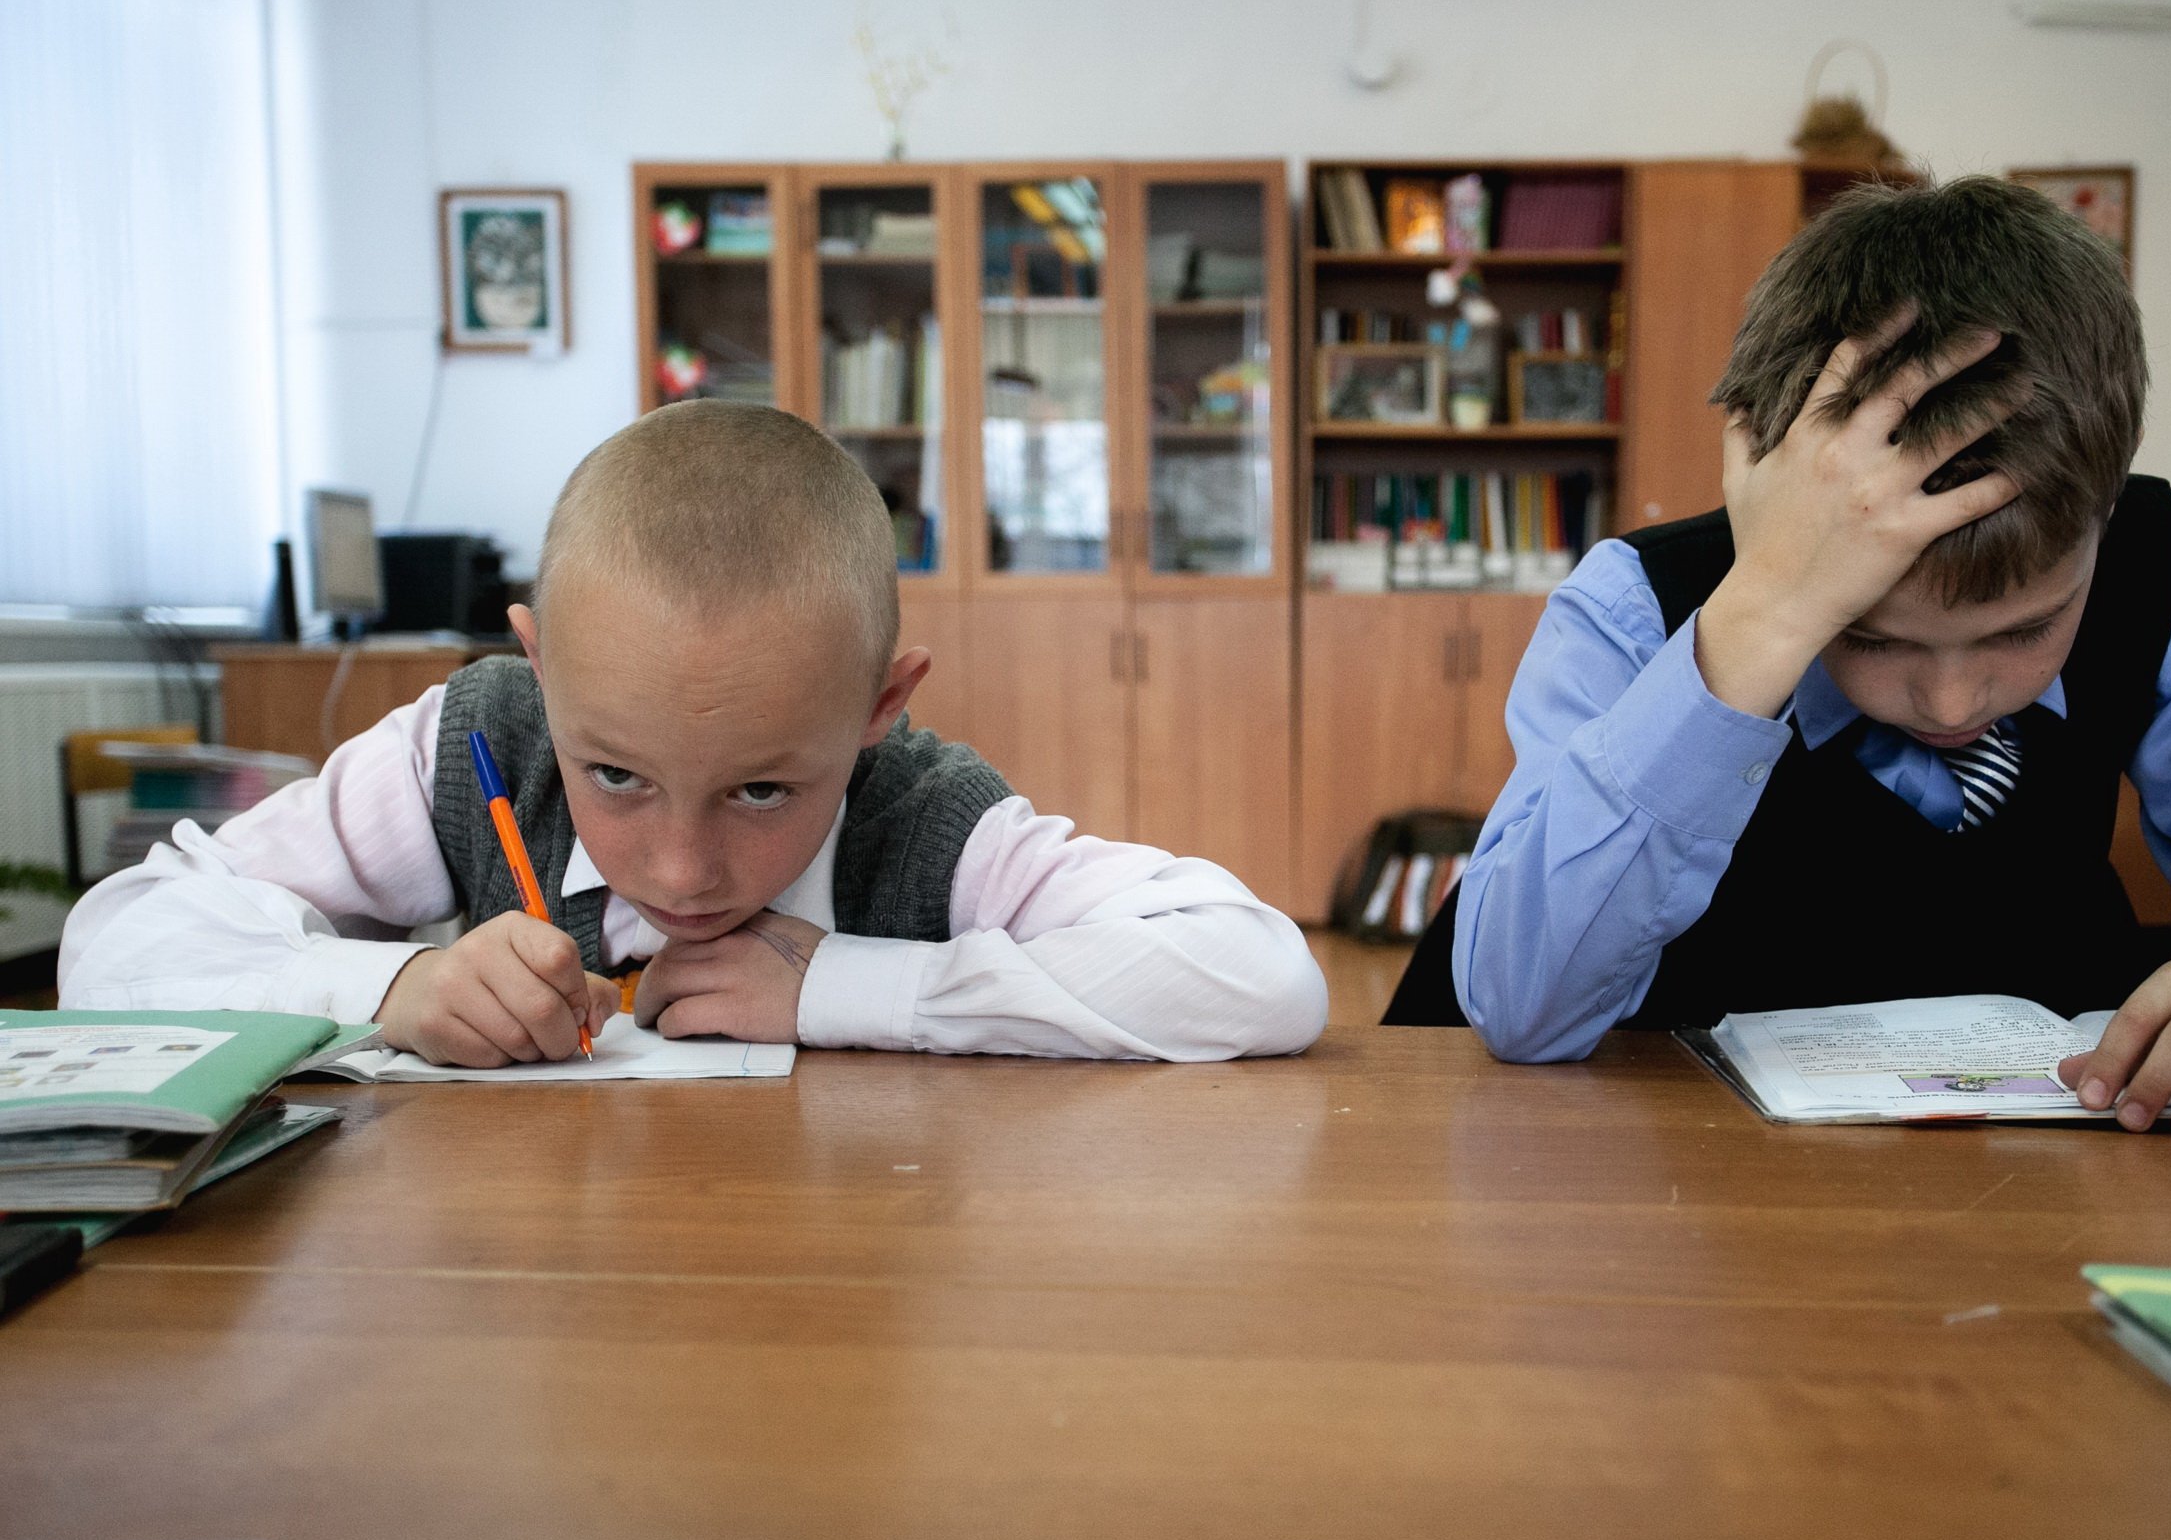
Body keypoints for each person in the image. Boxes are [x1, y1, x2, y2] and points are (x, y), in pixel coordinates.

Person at [1452, 177, 2171, 1137]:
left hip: (2061, 1166)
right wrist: (1761, 615)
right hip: (1690, 1176)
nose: (1949, 697)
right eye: (1869, 634)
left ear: (2104, 507)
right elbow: (1520, 1004)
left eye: (2024, 630)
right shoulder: (1634, 609)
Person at [61, 401, 1328, 1064]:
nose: (675, 871)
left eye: (764, 793)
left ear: (880, 706)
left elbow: (1257, 972)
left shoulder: (927, 816)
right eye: (613, 774)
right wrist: (387, 983)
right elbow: (118, 941)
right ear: (540, 666)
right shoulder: (476, 739)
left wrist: (841, 985)